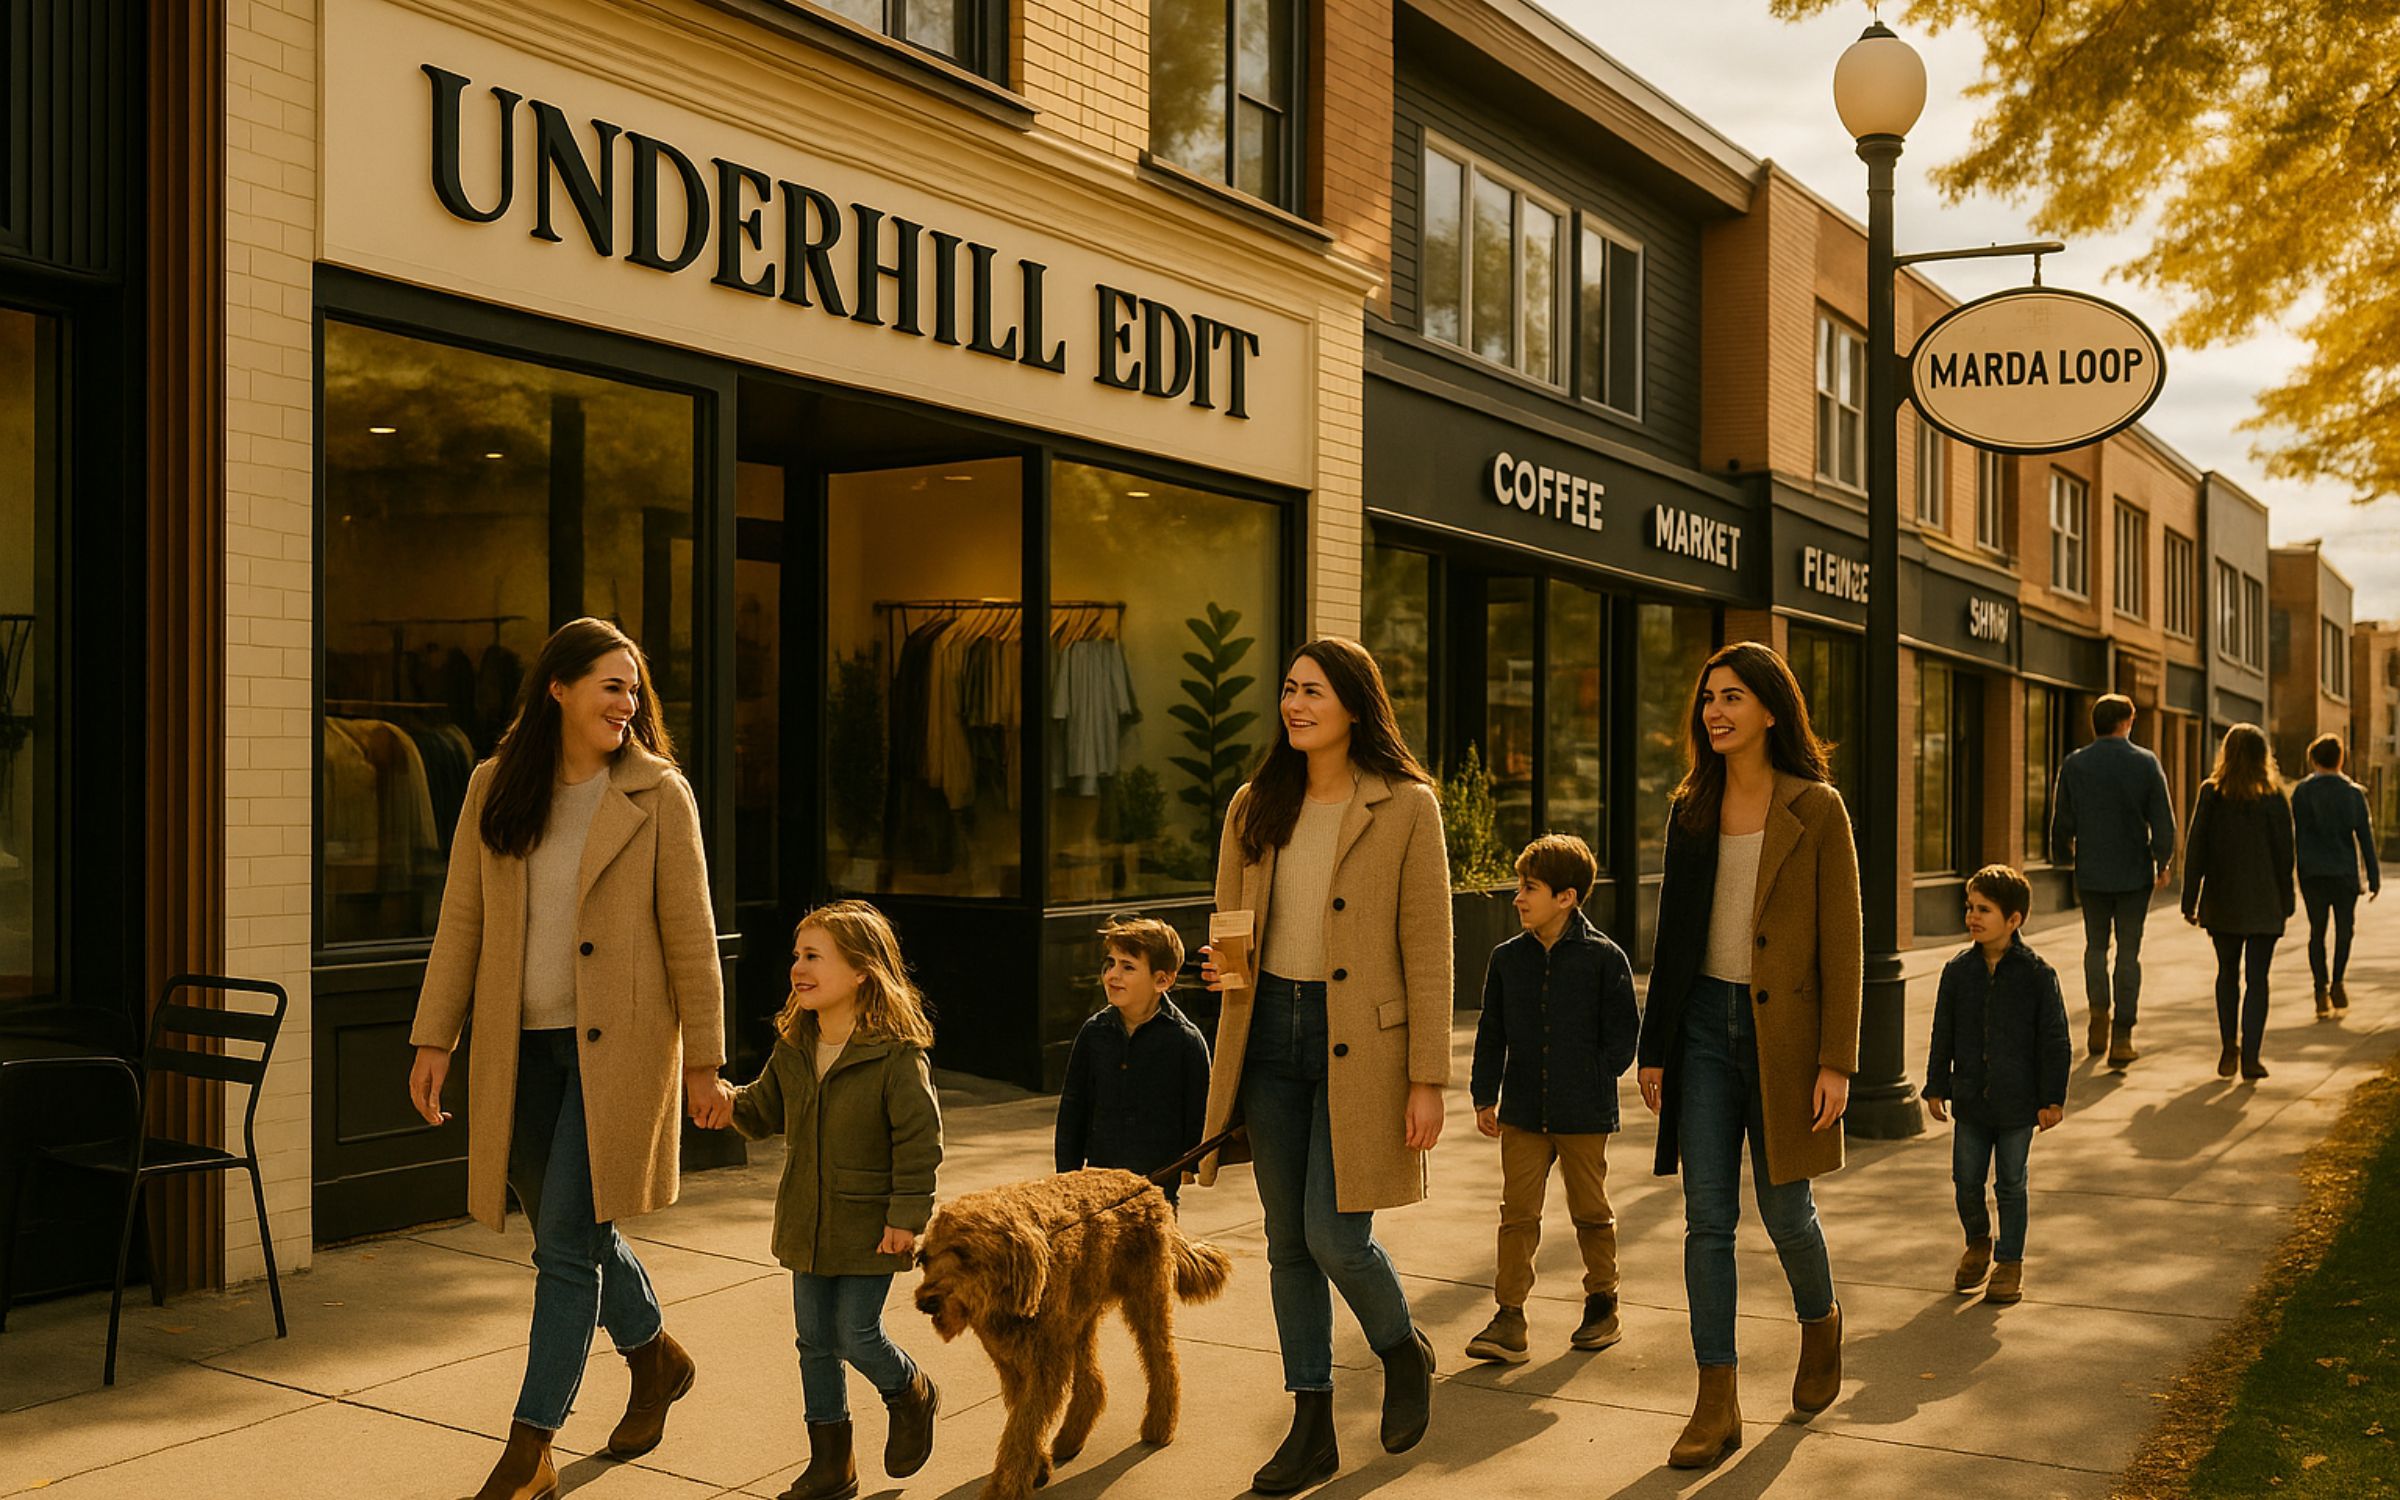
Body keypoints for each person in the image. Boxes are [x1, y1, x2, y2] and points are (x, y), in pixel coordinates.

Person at [405, 618, 726, 1500]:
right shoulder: (493, 785)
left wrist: (704, 1060)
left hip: (618, 1056)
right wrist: (435, 1036)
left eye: (633, 690)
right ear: (559, 687)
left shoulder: (658, 793)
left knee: (560, 1252)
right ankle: (655, 1357)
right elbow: (462, 918)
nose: (627, 703)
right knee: (572, 1232)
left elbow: (691, 934)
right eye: (611, 686)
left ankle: (530, 1448)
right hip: (518, 1053)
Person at [1192, 637, 1451, 1496]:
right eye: (1289, 689)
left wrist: (1427, 1078)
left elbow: (1429, 948)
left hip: (1363, 1048)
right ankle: (1310, 1425)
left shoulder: (1406, 806)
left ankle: (1401, 1347)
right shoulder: (1253, 804)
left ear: (1353, 706)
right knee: (1285, 1242)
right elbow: (1231, 923)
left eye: (1314, 691)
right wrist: (1221, 968)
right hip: (1268, 1036)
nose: (1295, 704)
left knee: (1334, 1234)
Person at [1636, 641, 1861, 1473]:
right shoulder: (1691, 807)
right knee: (1707, 1220)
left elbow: (1843, 941)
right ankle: (1715, 1398)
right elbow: (1673, 935)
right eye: (1708, 699)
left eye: (1732, 697)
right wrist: (1654, 1047)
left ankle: (1821, 1321)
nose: (1715, 712)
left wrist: (1837, 1059)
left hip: (1786, 1041)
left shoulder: (1818, 808)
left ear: (1770, 709)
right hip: (1700, 1028)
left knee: (1786, 1211)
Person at [717, 900, 943, 1500]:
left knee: (854, 1334)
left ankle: (910, 1390)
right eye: (797, 955)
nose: (798, 967)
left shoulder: (895, 1054)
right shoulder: (795, 1044)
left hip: (871, 1224)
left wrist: (906, 1219)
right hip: (806, 1222)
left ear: (862, 970)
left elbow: (920, 1143)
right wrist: (725, 1102)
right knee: (814, 1342)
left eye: (814, 956)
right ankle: (831, 1465)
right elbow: (762, 1110)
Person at [1464, 833, 1640, 1364]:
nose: (1518, 898)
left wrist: (1592, 1075)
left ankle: (1602, 1303)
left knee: (1591, 1211)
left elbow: (1624, 1035)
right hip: (1522, 1111)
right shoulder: (1506, 959)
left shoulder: (1604, 958)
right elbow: (1492, 1031)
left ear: (1566, 897)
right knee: (1517, 1215)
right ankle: (1509, 1318)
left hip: (1584, 1112)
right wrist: (1483, 1095)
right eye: (1520, 886)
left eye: (1530, 888)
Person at [1922, 866, 2071, 1308]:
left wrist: (2052, 1099)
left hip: (2017, 1104)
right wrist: (1936, 1085)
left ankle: (2009, 1262)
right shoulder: (1958, 972)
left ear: (2014, 919)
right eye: (1970, 907)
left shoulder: (2037, 974)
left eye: (1984, 909)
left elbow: (2055, 1040)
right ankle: (1978, 1241)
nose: (1972, 916)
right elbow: (1942, 1033)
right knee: (1966, 1180)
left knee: (2010, 1183)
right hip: (1970, 1100)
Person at [2048, 694, 2178, 1069]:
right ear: (2127, 722)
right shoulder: (2145, 762)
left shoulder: (2075, 763)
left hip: (2092, 871)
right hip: (2134, 872)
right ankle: (2122, 1035)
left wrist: (2064, 856)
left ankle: (2098, 1013)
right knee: (2128, 951)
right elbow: (2163, 819)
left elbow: (2062, 818)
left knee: (2095, 946)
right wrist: (2162, 860)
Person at [1054, 915, 1213, 1205]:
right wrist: (1066, 1178)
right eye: (1110, 963)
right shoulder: (1094, 1033)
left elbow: (1198, 1113)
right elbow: (1073, 1109)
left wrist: (1189, 1166)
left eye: (1128, 967)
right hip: (1098, 1186)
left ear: (1162, 980)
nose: (1112, 975)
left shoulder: (1185, 1041)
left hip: (1156, 1189)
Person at [2182, 724, 2297, 1081]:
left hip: (2223, 900)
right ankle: (2251, 1057)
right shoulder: (2274, 796)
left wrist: (2190, 899)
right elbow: (2285, 854)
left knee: (2227, 974)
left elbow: (2196, 848)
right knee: (2258, 979)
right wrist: (2287, 898)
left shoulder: (2212, 793)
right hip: (2265, 901)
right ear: (2264, 756)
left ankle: (2228, 1046)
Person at [2290, 733, 2381, 1017]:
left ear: (2313, 759)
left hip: (2312, 873)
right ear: (2341, 759)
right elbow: (2365, 837)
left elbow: (2295, 835)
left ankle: (2320, 989)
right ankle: (2338, 981)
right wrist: (2373, 876)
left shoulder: (2302, 793)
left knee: (2317, 931)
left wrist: (2290, 872)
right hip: (2344, 872)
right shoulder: (2353, 794)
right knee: (2344, 930)